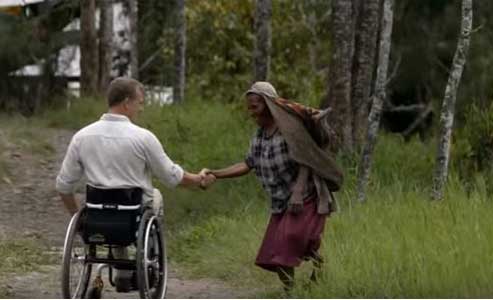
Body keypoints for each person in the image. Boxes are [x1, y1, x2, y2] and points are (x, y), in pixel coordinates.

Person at [55, 77, 215, 292]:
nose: (141, 108)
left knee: (113, 208)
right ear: (127, 102)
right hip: (132, 214)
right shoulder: (143, 138)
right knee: (155, 197)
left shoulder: (82, 137)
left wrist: (79, 219)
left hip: (97, 213)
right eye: (140, 102)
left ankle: (121, 271)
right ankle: (148, 257)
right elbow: (172, 176)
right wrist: (198, 179)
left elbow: (64, 186)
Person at [203, 81, 343, 292]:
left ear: (268, 105)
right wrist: (216, 173)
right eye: (249, 107)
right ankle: (291, 291)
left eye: (255, 106)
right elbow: (247, 164)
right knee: (275, 254)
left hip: (304, 197)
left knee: (291, 242)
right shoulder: (259, 136)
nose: (250, 112)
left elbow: (306, 158)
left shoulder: (289, 130)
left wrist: (297, 191)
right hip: (280, 202)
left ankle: (320, 268)